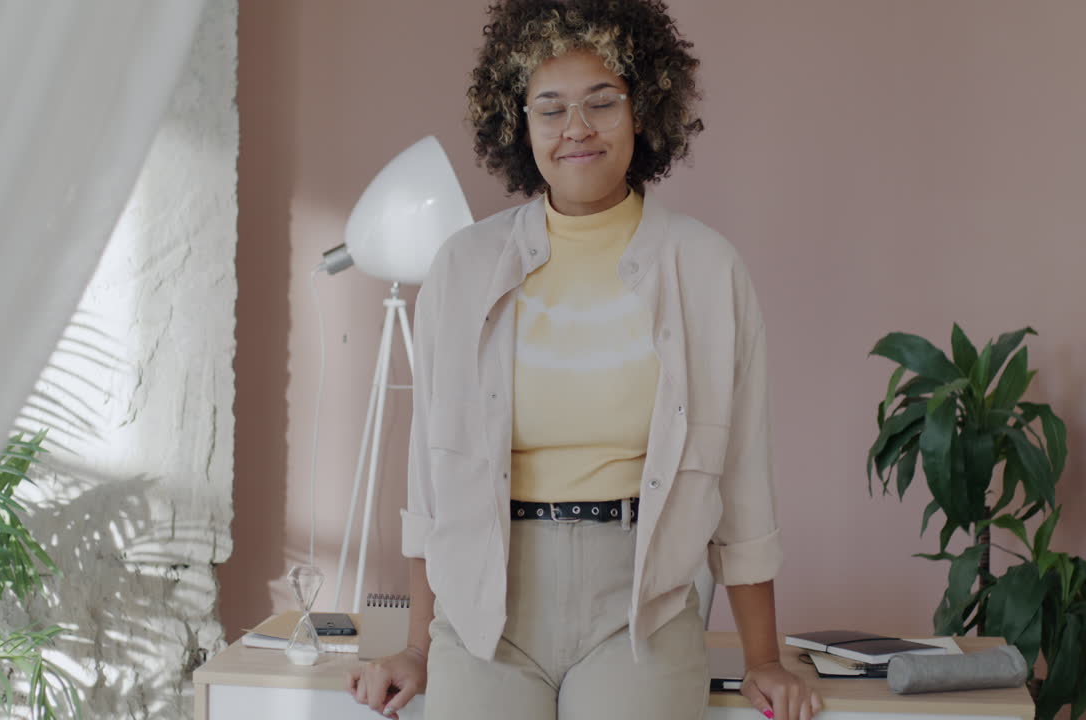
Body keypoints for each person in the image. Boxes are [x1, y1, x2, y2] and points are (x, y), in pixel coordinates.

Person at [347, 1, 822, 719]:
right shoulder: (463, 267)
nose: (577, 128)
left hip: (641, 606)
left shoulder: (706, 268)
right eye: (551, 108)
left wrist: (764, 658)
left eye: (603, 102)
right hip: (486, 604)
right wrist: (418, 646)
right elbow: (432, 482)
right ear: (519, 122)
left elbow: (743, 478)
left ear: (644, 111)